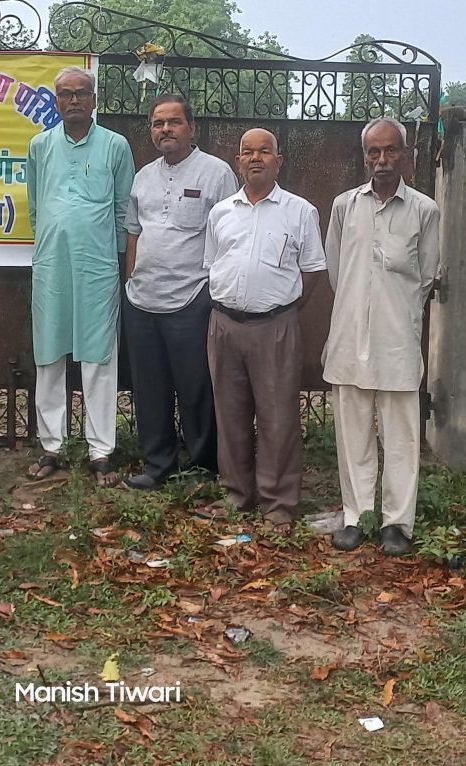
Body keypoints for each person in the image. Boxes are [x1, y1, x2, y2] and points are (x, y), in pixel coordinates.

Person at [323, 117, 440, 555]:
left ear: (404, 154)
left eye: (391, 150)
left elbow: (426, 277)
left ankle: (396, 524)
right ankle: (356, 517)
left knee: (402, 436)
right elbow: (337, 271)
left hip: (397, 341)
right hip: (350, 336)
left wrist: (393, 309)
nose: (382, 159)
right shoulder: (344, 206)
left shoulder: (424, 210)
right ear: (364, 156)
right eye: (374, 151)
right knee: (352, 434)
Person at [204, 128, 327, 533]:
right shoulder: (221, 212)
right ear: (238, 161)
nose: (255, 158)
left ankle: (279, 503)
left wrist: (280, 308)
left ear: (279, 161)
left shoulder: (300, 211)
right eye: (247, 152)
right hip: (224, 325)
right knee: (230, 414)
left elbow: (312, 271)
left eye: (264, 151)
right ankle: (236, 494)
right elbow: (213, 264)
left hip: (274, 326)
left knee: (278, 418)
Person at [122, 95, 238, 490]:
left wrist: (214, 291)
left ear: (192, 128)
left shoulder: (216, 173)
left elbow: (230, 235)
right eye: (158, 123)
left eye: (174, 122)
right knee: (149, 388)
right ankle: (158, 466)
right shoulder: (143, 176)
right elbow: (134, 232)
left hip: (192, 297)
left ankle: (203, 468)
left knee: (197, 388)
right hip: (142, 299)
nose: (165, 129)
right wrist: (130, 279)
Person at [26, 66, 134, 487]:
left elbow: (124, 209)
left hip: (98, 266)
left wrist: (118, 260)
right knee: (49, 354)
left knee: (99, 357)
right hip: (52, 264)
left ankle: (101, 451)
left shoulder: (115, 145)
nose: (73, 100)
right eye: (65, 94)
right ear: (56, 101)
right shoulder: (39, 146)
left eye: (81, 93)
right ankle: (51, 446)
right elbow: (35, 206)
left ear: (94, 100)